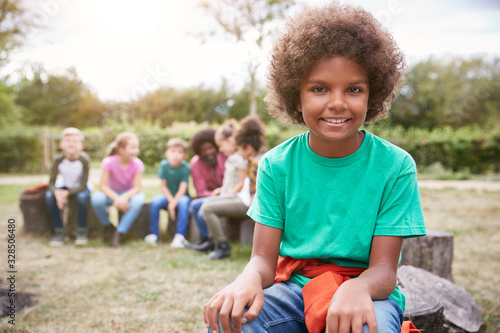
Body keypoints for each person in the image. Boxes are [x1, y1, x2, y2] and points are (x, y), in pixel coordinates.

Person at [204, 2, 426, 333]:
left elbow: (383, 269)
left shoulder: (395, 167)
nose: (337, 102)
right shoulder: (276, 165)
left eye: (353, 89)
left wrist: (358, 288)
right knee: (233, 324)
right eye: (319, 88)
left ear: (372, 95)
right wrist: (246, 279)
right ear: (297, 96)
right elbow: (263, 260)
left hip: (368, 292)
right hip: (295, 288)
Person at [201, 116, 266, 260]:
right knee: (208, 204)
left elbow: (258, 192)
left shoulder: (256, 162)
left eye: (240, 150)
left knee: (207, 208)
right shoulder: (255, 159)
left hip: (248, 204)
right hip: (245, 200)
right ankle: (215, 243)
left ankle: (222, 247)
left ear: (248, 147)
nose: (239, 153)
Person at [190, 119, 248, 253]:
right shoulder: (232, 158)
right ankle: (209, 240)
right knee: (199, 206)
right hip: (228, 194)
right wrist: (222, 190)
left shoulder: (237, 159)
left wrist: (226, 194)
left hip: (237, 198)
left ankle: (220, 245)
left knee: (207, 207)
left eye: (220, 146)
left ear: (230, 141)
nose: (219, 150)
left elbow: (241, 183)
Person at [91, 132, 145, 247]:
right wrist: (117, 198)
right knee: (96, 199)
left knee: (138, 201)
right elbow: (102, 186)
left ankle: (119, 233)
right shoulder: (109, 162)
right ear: (121, 149)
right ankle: (107, 227)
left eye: (137, 147)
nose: (136, 151)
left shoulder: (137, 164)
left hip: (129, 195)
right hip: (112, 194)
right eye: (132, 147)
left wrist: (124, 197)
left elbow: (137, 187)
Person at [45, 127, 92, 246]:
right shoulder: (57, 159)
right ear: (61, 144)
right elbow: (51, 183)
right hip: (63, 186)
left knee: (81, 198)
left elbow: (83, 185)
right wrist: (56, 192)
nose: (71, 143)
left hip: (81, 188)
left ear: (81, 145)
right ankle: (59, 230)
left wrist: (67, 194)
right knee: (49, 197)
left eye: (75, 141)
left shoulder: (84, 160)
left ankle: (81, 230)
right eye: (68, 140)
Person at [145, 138, 191, 247]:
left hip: (181, 197)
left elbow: (182, 189)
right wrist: (171, 202)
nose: (176, 155)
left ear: (185, 156)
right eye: (173, 151)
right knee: (156, 201)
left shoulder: (186, 167)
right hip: (168, 197)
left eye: (180, 152)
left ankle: (180, 236)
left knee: (184, 203)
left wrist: (173, 203)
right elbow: (163, 186)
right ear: (166, 154)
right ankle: (154, 234)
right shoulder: (164, 165)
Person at [187, 128, 227, 250]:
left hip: (228, 194)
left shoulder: (224, 157)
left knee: (201, 211)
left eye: (211, 148)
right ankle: (205, 239)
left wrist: (222, 192)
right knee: (194, 206)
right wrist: (214, 195)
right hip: (210, 196)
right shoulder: (196, 163)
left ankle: (212, 241)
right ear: (199, 152)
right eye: (204, 150)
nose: (208, 152)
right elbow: (200, 190)